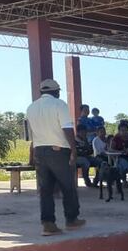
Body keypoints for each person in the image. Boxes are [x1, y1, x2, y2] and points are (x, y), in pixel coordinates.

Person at [26, 79, 85, 236]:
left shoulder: (31, 108)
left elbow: (32, 133)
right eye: (58, 91)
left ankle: (48, 224)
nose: (59, 93)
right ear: (55, 91)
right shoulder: (59, 104)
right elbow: (66, 128)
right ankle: (72, 219)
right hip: (58, 150)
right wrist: (73, 149)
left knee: (45, 190)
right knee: (68, 186)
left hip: (40, 150)